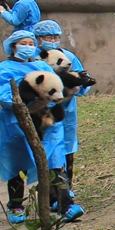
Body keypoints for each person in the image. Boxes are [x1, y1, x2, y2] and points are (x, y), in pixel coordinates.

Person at [0, 31, 84, 224]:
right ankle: (16, 205)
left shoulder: (42, 66)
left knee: (56, 164)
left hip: (48, 124)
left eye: (30, 43)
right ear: (13, 47)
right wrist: (32, 104)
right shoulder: (4, 69)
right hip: (18, 124)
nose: (28, 46)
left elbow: (57, 89)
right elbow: (5, 97)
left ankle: (65, 205)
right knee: (19, 166)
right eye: (23, 43)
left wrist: (68, 90)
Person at [33, 20, 90, 196]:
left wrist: (78, 87)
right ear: (38, 38)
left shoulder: (68, 56)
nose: (53, 39)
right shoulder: (34, 58)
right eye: (48, 36)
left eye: (56, 36)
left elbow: (83, 77)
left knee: (67, 147)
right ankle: (50, 192)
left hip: (66, 110)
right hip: (42, 110)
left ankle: (67, 189)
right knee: (47, 150)